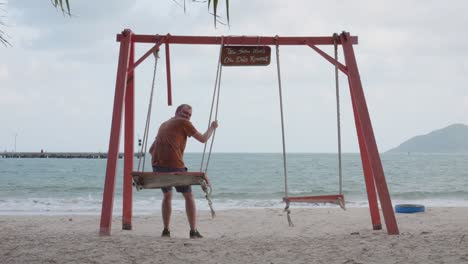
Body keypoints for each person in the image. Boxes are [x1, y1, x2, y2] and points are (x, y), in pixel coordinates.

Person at [149, 104, 218, 239]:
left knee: (167, 196)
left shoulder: (164, 124)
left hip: (157, 168)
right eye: (185, 113)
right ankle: (193, 231)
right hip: (175, 168)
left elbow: (151, 150)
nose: (187, 117)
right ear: (177, 112)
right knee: (188, 196)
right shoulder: (183, 122)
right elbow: (203, 139)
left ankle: (166, 230)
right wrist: (212, 127)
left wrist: (163, 158)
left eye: (189, 115)